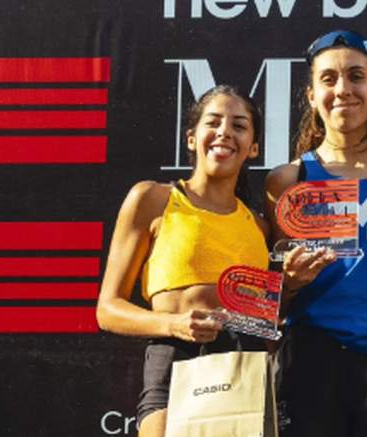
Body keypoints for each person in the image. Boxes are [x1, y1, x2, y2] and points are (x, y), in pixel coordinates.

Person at [263, 30, 367, 437]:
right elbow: (268, 303)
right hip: (311, 360)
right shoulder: (287, 180)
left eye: (356, 76)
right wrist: (289, 282)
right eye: (329, 79)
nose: (343, 90)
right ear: (311, 95)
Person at [96, 85, 271, 437]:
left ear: (253, 147)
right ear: (192, 138)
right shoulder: (152, 199)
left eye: (239, 125)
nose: (224, 132)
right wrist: (174, 325)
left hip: (247, 367)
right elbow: (107, 309)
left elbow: (268, 317)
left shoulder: (261, 227)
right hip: (174, 359)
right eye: (213, 122)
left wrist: (295, 282)